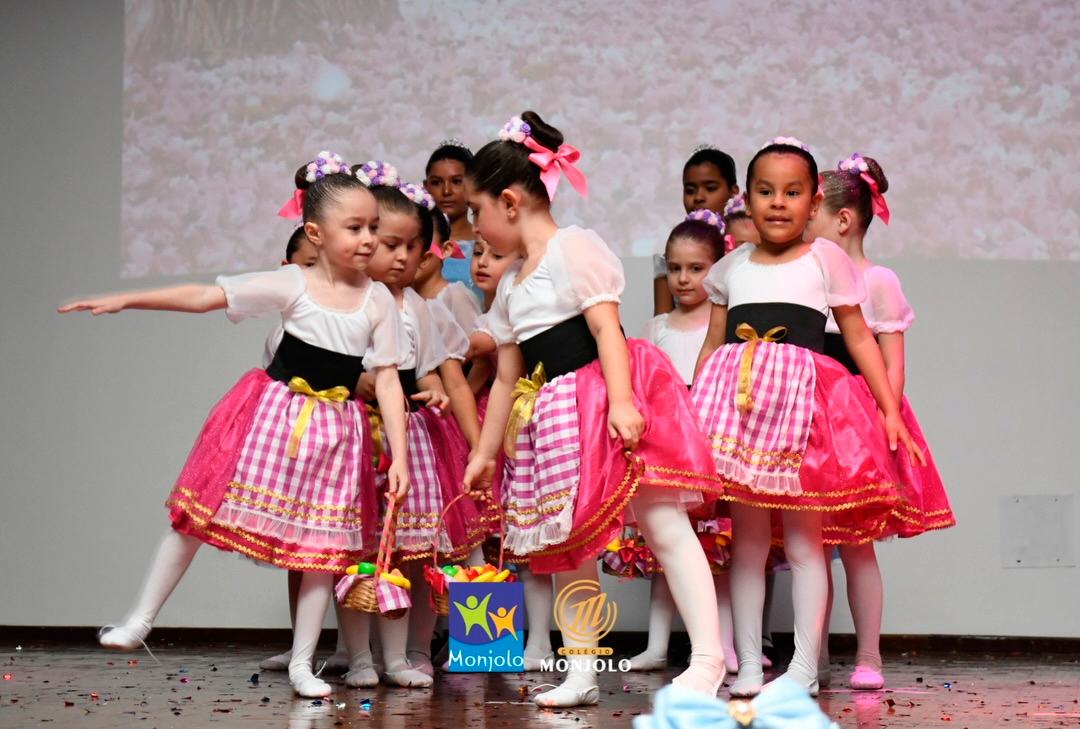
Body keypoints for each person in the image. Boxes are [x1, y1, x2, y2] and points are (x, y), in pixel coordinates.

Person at [60, 153, 410, 698]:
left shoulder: (378, 299)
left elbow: (386, 380)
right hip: (272, 419)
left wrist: (400, 459)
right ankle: (139, 620)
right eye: (355, 228)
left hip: (336, 434)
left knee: (320, 551)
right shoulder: (293, 283)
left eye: (373, 227)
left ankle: (302, 665)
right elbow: (208, 296)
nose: (368, 239)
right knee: (196, 516)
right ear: (315, 234)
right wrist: (127, 298)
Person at [462, 111, 727, 708]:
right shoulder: (511, 285)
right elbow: (505, 377)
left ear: (509, 203)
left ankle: (708, 658)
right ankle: (580, 673)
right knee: (569, 544)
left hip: (604, 401)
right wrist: (484, 451)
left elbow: (607, 329)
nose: (474, 226)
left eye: (477, 211)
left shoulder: (572, 248)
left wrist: (623, 402)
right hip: (555, 417)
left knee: (663, 524)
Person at [691, 137, 925, 698]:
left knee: (804, 543)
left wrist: (889, 410)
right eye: (765, 192)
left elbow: (859, 338)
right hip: (741, 414)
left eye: (792, 193)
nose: (778, 203)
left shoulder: (826, 259)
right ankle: (750, 665)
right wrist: (692, 411)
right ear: (747, 199)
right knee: (747, 545)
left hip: (800, 417)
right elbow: (713, 344)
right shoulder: (731, 267)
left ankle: (802, 668)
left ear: (813, 200)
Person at [806, 153, 955, 691]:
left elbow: (892, 363)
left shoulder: (878, 280)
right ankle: (812, 657)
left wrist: (880, 418)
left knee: (856, 543)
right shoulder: (807, 279)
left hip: (859, 424)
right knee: (810, 546)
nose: (801, 223)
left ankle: (869, 656)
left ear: (842, 220)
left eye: (812, 214)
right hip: (812, 424)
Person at [630, 209, 738, 675]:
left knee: (719, 550)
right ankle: (657, 646)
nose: (683, 278)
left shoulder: (723, 325)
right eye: (674, 268)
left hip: (710, 445)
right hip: (669, 452)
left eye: (696, 268)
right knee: (667, 548)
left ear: (717, 270)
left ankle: (722, 648)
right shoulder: (656, 329)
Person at [654, 145, 739, 316]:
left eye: (710, 188)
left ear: (733, 193)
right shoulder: (672, 252)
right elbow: (662, 319)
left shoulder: (744, 247)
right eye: (690, 190)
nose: (698, 197)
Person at [411, 203, 483, 334]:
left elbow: (474, 344)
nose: (412, 255)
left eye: (425, 244)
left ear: (446, 249)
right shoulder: (402, 297)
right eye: (406, 245)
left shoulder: (456, 297)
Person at [423, 138, 481, 296]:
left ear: (473, 184)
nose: (446, 191)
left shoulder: (488, 241)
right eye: (436, 182)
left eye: (456, 181)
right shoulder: (416, 243)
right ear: (426, 187)